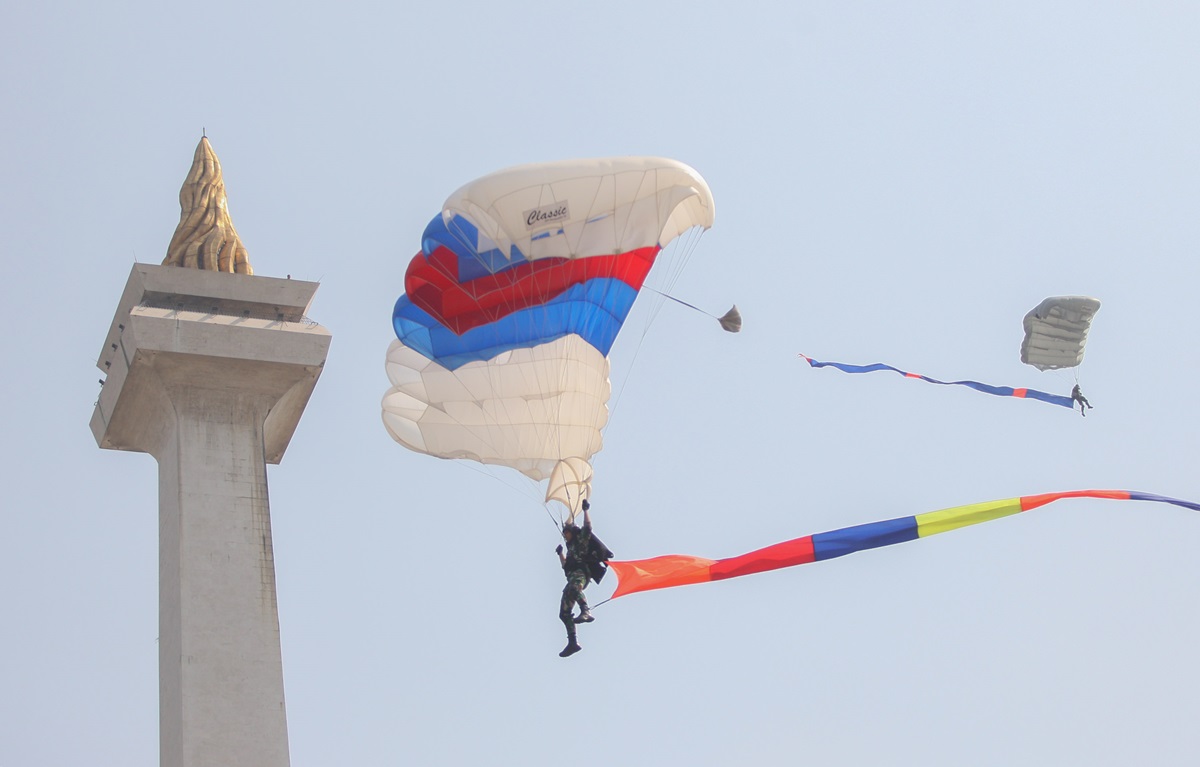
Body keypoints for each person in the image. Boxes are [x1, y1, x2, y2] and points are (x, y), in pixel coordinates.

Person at [555, 498, 613, 658]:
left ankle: (585, 611)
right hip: (572, 577)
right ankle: (573, 642)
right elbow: (566, 568)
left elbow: (587, 528)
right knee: (564, 613)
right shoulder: (570, 549)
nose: (564, 536)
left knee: (574, 588)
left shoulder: (580, 542)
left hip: (581, 575)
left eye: (566, 533)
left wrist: (586, 510)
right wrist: (560, 554)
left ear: (571, 532)